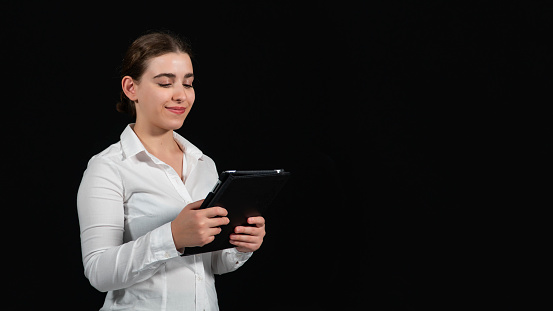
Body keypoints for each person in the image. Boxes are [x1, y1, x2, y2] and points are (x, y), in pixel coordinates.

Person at [77, 31, 266, 310]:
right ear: (131, 88)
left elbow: (212, 264)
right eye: (165, 83)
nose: (180, 95)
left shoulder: (204, 164)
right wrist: (173, 236)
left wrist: (241, 245)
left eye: (188, 84)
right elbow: (99, 272)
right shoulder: (108, 167)